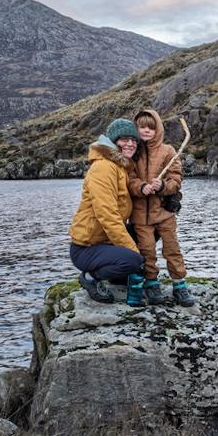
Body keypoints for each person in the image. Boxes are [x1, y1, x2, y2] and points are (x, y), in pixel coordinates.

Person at [69, 118, 147, 306]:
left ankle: (117, 276)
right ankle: (91, 277)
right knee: (134, 261)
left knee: (149, 230)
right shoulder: (104, 167)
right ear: (113, 141)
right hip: (87, 247)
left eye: (134, 140)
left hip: (105, 242)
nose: (130, 144)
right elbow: (108, 216)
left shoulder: (120, 167)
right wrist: (134, 253)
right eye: (124, 139)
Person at [128, 109, 195, 306]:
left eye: (151, 127)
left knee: (172, 248)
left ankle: (179, 284)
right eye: (142, 127)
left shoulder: (168, 151)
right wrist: (141, 187)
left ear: (158, 129)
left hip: (165, 213)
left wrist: (163, 186)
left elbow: (176, 179)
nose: (147, 131)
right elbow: (128, 180)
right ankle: (151, 283)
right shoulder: (133, 153)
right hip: (140, 216)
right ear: (136, 129)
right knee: (146, 251)